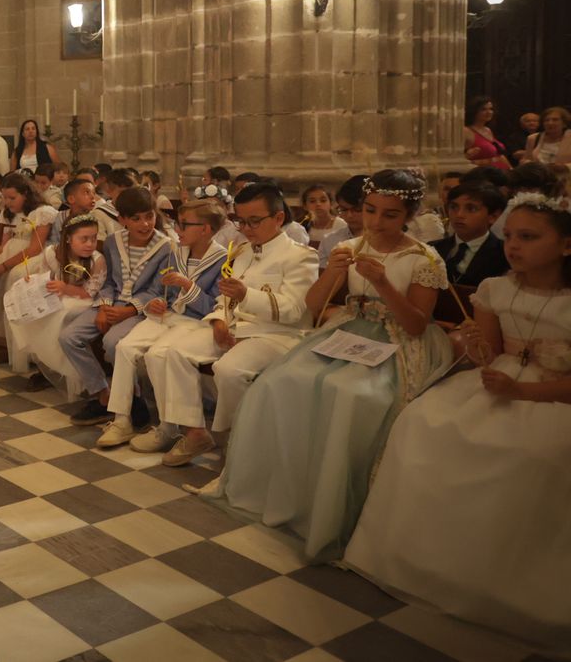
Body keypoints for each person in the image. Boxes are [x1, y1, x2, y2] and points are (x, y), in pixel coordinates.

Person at [344, 193, 571, 652]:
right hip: (500, 382)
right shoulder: (496, 289)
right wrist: (471, 345)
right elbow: (487, 354)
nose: (514, 247)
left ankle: (506, 581)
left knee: (534, 453)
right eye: (510, 237)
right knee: (424, 423)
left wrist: (523, 391)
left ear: (566, 246)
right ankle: (420, 561)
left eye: (528, 238)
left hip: (552, 396)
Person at [201, 169, 452, 562]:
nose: (375, 222)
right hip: (350, 331)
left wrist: (384, 284)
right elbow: (314, 306)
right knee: (282, 381)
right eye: (370, 211)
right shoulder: (351, 246)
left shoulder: (424, 258)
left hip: (397, 340)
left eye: (389, 214)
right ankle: (294, 493)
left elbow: (418, 323)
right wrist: (334, 273)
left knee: (352, 395)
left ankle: (338, 506)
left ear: (409, 214)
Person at [142, 184, 319, 467]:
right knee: (171, 352)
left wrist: (247, 296)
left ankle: (238, 444)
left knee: (229, 370)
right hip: (236, 329)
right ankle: (195, 432)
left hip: (275, 334)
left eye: (254, 221)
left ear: (278, 218)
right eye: (240, 221)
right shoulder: (242, 251)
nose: (246, 228)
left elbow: (296, 310)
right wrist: (219, 320)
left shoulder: (301, 256)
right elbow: (225, 296)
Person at [118, 196, 231, 455]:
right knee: (128, 347)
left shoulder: (222, 260)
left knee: (159, 355)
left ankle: (173, 428)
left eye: (183, 225)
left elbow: (216, 307)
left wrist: (187, 286)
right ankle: (126, 419)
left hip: (199, 323)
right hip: (172, 318)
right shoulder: (176, 252)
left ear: (205, 230)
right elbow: (160, 290)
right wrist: (156, 302)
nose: (176, 230)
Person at [57, 187, 176, 428]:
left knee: (113, 343)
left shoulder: (166, 246)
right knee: (69, 336)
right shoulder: (113, 242)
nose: (145, 224)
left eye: (149, 216)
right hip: (112, 303)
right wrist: (104, 307)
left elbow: (158, 290)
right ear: (121, 219)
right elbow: (109, 281)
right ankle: (104, 394)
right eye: (136, 218)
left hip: (143, 310)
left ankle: (133, 397)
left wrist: (128, 310)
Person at [9, 212, 105, 391]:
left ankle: (73, 374)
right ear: (68, 238)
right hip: (59, 294)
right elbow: (47, 279)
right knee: (30, 309)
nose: (90, 244)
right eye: (84, 239)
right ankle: (48, 365)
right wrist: (35, 282)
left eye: (93, 239)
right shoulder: (52, 253)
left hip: (84, 301)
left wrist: (65, 288)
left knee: (62, 315)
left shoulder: (97, 260)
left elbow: (89, 294)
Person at [0, 172, 59, 340]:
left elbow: (35, 248)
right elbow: (2, 242)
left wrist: (4, 266)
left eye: (12, 198)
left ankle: (15, 337)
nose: (7, 202)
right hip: (10, 253)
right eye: (5, 198)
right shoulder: (9, 213)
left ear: (25, 194)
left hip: (30, 258)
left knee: (14, 278)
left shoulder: (42, 212)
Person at [429, 181, 509, 287]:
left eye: (471, 209)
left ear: (493, 216)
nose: (459, 215)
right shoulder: (432, 249)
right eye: (454, 207)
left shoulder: (505, 254)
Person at [318, 175, 368, 267]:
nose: (349, 215)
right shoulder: (330, 240)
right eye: (344, 210)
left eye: (357, 210)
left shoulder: (386, 240)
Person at [463, 96, 511, 169]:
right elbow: (460, 160)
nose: (489, 112)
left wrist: (511, 169)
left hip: (501, 172)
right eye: (483, 109)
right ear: (474, 111)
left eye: (491, 109)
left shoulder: (487, 129)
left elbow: (499, 156)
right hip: (484, 174)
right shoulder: (466, 131)